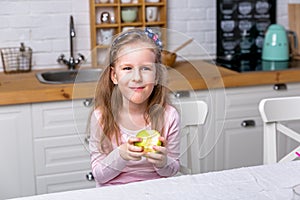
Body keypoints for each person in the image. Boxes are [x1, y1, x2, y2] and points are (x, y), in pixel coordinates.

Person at [88, 28, 180, 187]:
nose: (137, 78)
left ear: (156, 75)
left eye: (145, 68)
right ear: (114, 76)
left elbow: (172, 171)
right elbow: (99, 175)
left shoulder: (169, 116)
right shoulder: (101, 117)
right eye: (127, 68)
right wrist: (121, 155)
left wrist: (163, 163)